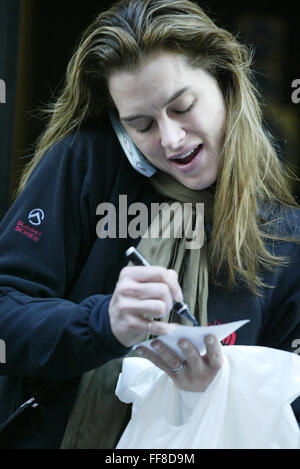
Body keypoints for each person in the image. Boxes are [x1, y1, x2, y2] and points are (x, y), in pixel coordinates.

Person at [0, 0, 299, 449]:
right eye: (141, 124)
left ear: (225, 82)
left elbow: (287, 406)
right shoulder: (86, 166)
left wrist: (215, 389)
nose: (170, 140)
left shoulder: (286, 236)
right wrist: (104, 324)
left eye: (182, 107)